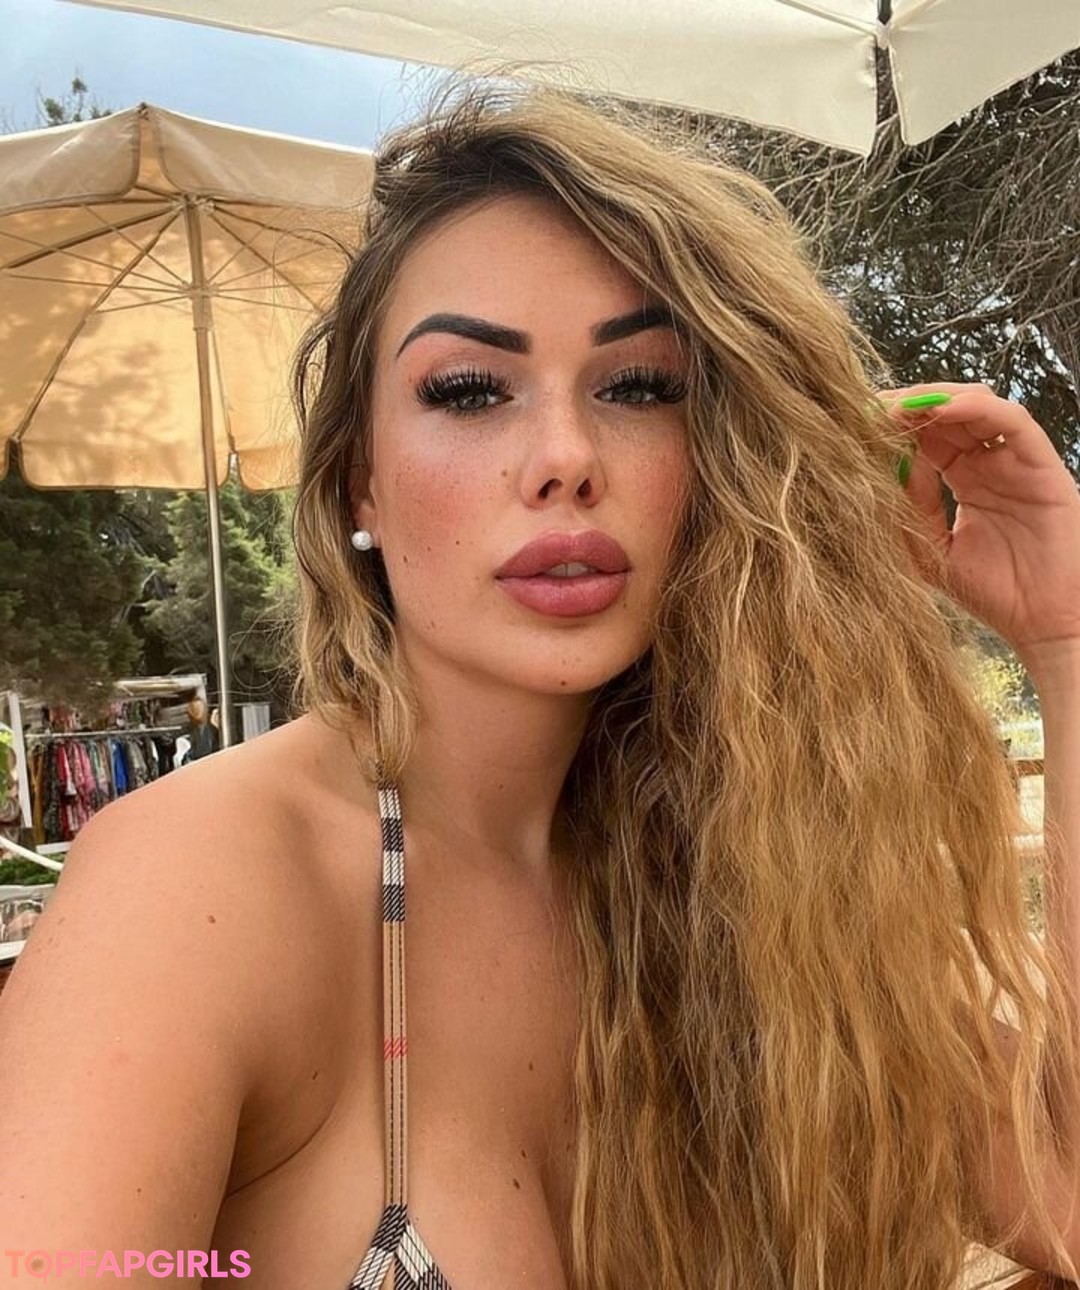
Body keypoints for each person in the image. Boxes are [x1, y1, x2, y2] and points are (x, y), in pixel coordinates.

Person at [2, 72, 1080, 1290]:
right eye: (469, 390)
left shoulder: (747, 875)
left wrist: (1067, 641)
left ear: (720, 461)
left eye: (639, 387)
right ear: (360, 486)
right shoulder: (201, 883)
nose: (566, 458)